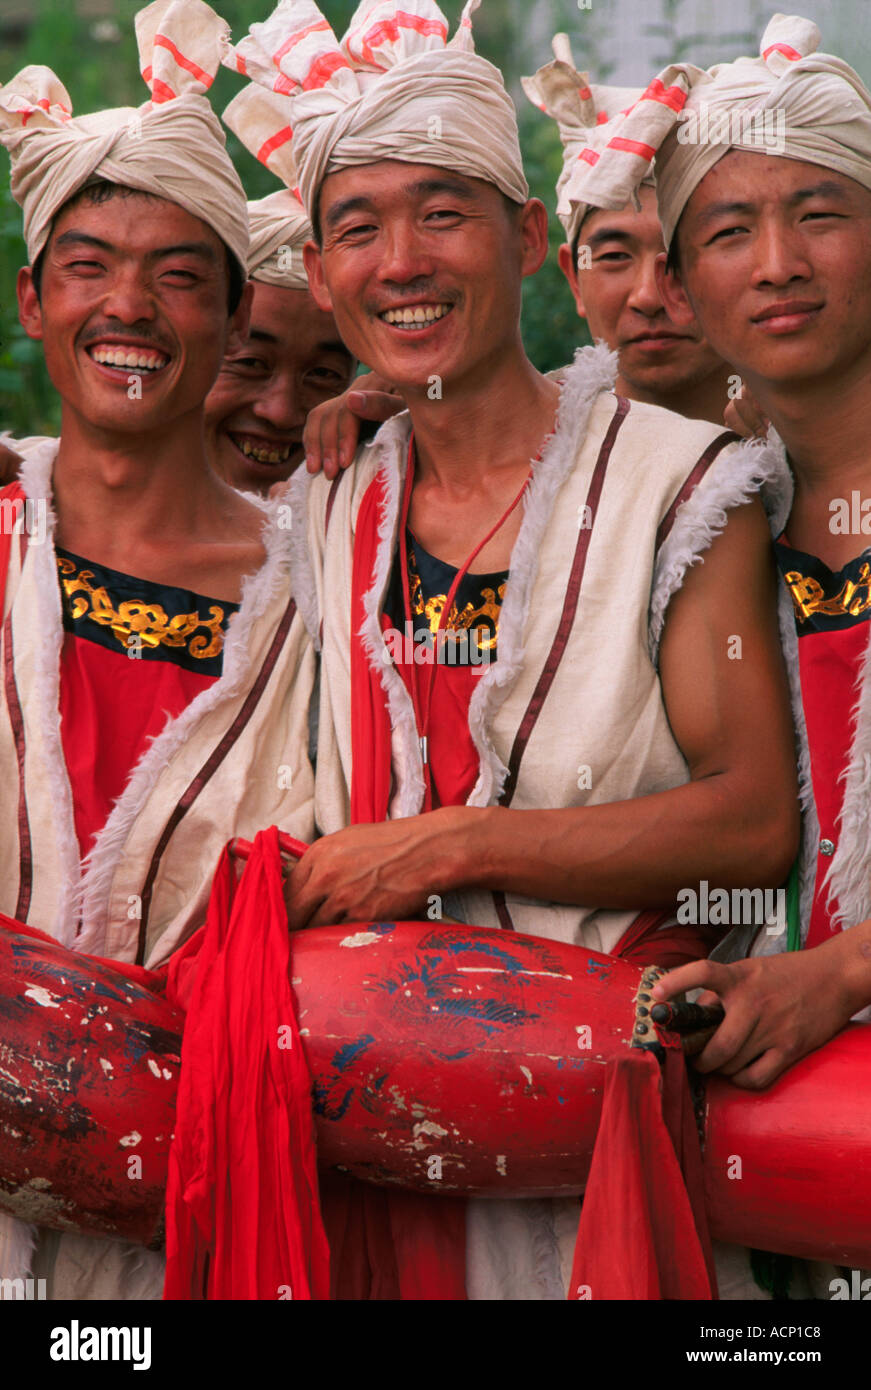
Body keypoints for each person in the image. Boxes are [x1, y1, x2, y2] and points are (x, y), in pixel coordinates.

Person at [234, 0, 799, 1300]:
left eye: (441, 212)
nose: (400, 262)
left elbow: (751, 823)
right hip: (370, 1147)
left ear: (528, 239)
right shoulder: (321, 504)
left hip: (612, 1127)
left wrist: (448, 846)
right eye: (356, 227)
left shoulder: (676, 482)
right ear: (318, 274)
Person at [0, 0, 315, 1297]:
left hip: (203, 1205)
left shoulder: (315, 591)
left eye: (180, 275)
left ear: (232, 311)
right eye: (88, 265)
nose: (129, 304)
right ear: (33, 299)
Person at [586, 9, 871, 1299]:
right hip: (776, 1147)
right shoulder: (702, 513)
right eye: (725, 231)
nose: (776, 264)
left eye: (819, 212)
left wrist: (845, 973)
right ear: (684, 290)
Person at [208, 83, 357, 493]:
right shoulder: (35, 510)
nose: (281, 411)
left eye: (324, 374)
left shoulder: (376, 539)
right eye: (251, 362)